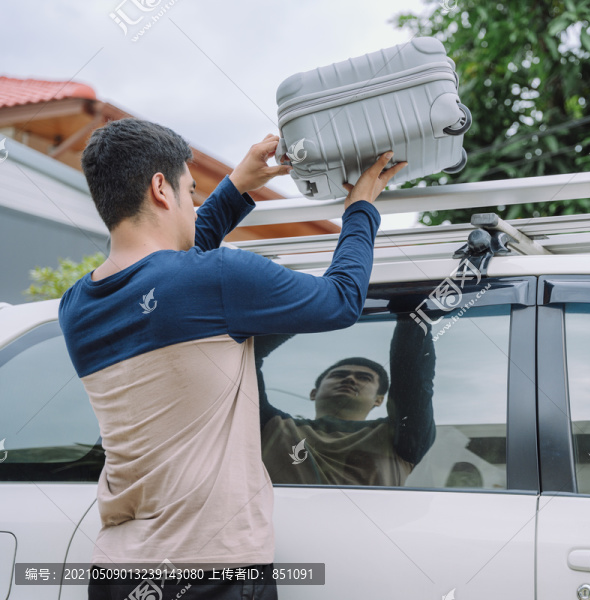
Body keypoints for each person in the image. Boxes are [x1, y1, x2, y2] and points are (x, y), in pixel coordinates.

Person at [57, 117, 406, 599]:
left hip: (118, 573)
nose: (194, 207)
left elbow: (166, 275)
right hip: (211, 573)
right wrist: (361, 209)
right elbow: (342, 299)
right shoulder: (217, 279)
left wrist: (236, 187)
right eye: (189, 191)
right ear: (161, 189)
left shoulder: (76, 306)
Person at [253, 310, 437, 486]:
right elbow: (247, 356)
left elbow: (413, 377)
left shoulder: (399, 434)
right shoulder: (270, 425)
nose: (350, 379)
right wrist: (314, 306)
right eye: (338, 375)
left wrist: (412, 317)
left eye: (364, 378)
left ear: (379, 400)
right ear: (313, 393)